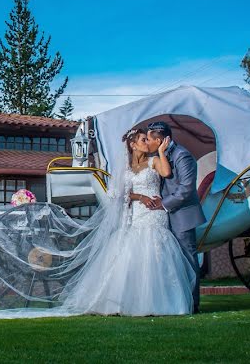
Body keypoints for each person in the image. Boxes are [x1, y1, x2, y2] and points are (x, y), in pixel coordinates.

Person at [62, 128, 196, 315]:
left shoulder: (154, 160)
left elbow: (166, 173)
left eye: (147, 139)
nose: (146, 142)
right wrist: (139, 196)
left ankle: (161, 303)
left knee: (156, 252)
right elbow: (118, 194)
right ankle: (125, 302)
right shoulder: (126, 169)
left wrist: (160, 152)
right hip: (137, 213)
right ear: (132, 145)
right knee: (132, 254)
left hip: (155, 212)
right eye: (143, 140)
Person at [144, 121, 206, 313]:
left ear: (159, 140)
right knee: (173, 262)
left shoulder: (182, 155)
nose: (147, 143)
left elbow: (186, 189)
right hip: (168, 216)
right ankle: (176, 302)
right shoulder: (162, 155)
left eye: (149, 139)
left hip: (183, 216)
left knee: (188, 260)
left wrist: (163, 204)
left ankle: (193, 304)